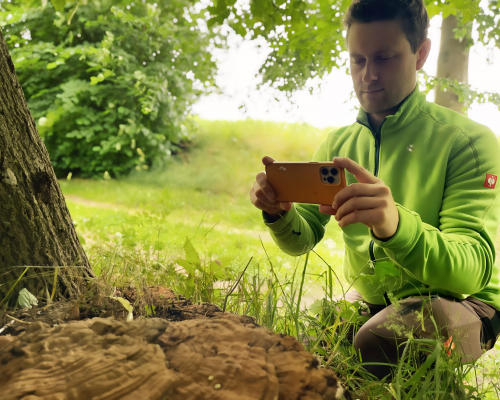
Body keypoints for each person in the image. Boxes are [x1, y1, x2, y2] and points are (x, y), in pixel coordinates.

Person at [249, 0, 500, 380]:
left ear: (421, 54)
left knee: (381, 342)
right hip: (371, 302)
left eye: (384, 58)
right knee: (298, 339)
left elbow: (470, 273)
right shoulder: (338, 146)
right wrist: (279, 213)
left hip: (465, 303)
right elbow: (303, 240)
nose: (368, 75)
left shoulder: (469, 142)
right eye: (358, 60)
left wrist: (396, 226)